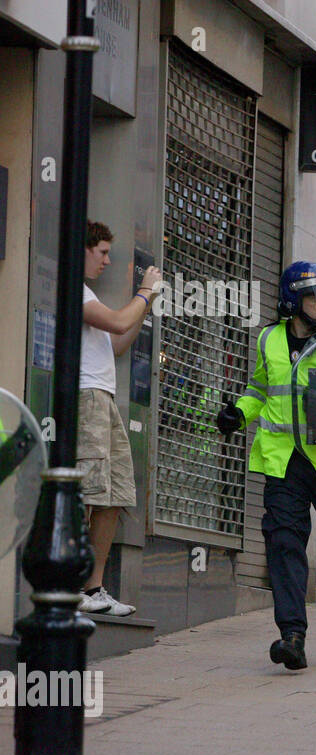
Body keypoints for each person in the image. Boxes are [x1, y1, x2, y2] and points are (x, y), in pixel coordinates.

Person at [217, 261, 316, 671]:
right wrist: (239, 413)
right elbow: (260, 388)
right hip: (284, 460)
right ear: (294, 301)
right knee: (284, 542)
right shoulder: (268, 339)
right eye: (314, 296)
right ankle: (292, 635)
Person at [78, 222, 163, 616]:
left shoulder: (90, 294)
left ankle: (93, 587)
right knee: (87, 489)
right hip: (86, 398)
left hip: (104, 397)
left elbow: (115, 341)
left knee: (113, 494)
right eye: (102, 253)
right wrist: (144, 293)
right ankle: (70, 583)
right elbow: (114, 322)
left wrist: (142, 310)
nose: (107, 261)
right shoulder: (73, 290)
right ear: (83, 249)